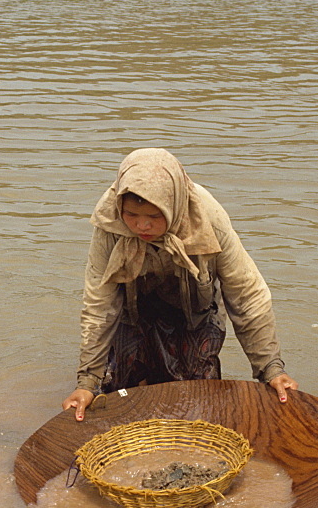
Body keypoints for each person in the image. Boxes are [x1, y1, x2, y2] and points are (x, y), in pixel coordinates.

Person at [61, 148, 298, 421]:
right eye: (132, 215)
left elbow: (246, 296)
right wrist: (87, 381)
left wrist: (271, 369)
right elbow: (99, 305)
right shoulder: (110, 221)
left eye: (154, 216)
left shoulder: (209, 219)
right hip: (134, 309)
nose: (142, 226)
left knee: (199, 401)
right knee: (122, 398)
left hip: (194, 310)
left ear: (172, 207)